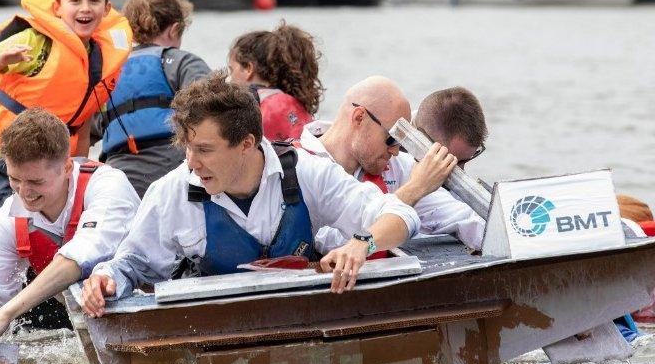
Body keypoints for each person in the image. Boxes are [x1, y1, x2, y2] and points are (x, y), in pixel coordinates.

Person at [80, 73, 421, 317]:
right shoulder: (170, 191)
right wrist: (105, 280)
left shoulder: (307, 172)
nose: (191, 162)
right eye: (187, 147)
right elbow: (130, 265)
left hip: (297, 319)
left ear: (246, 143)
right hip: (215, 327)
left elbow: (402, 216)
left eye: (204, 150)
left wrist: (363, 243)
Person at [0, 108, 139, 364]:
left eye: (36, 181)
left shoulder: (108, 186)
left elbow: (79, 258)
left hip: (152, 309)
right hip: (95, 323)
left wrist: (3, 316)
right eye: (15, 179)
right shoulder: (8, 217)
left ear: (67, 167)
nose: (24, 193)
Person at [0, 0, 133, 212]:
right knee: (5, 219)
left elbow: (81, 125)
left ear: (106, 9)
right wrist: (0, 59)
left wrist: (78, 169)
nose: (85, 8)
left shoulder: (101, 60)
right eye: (75, 0)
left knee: (53, 225)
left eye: (94, 0)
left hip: (47, 166)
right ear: (57, 7)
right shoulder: (36, 41)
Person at [300, 77, 486, 251]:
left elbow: (468, 221)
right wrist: (414, 189)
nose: (396, 151)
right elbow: (328, 243)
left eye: (401, 141)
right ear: (359, 118)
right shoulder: (300, 167)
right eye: (391, 139)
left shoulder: (399, 167)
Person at [93, 0, 211, 197]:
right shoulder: (183, 62)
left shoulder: (109, 71)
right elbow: (214, 108)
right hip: (175, 176)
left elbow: (88, 127)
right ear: (175, 30)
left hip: (119, 181)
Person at [227, 23, 323, 140]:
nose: (230, 79)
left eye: (231, 70)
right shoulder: (295, 102)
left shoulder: (250, 104)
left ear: (248, 68)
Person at [413, 87, 488, 169]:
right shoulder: (398, 159)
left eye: (466, 160)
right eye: (448, 162)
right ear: (421, 139)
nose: (461, 170)